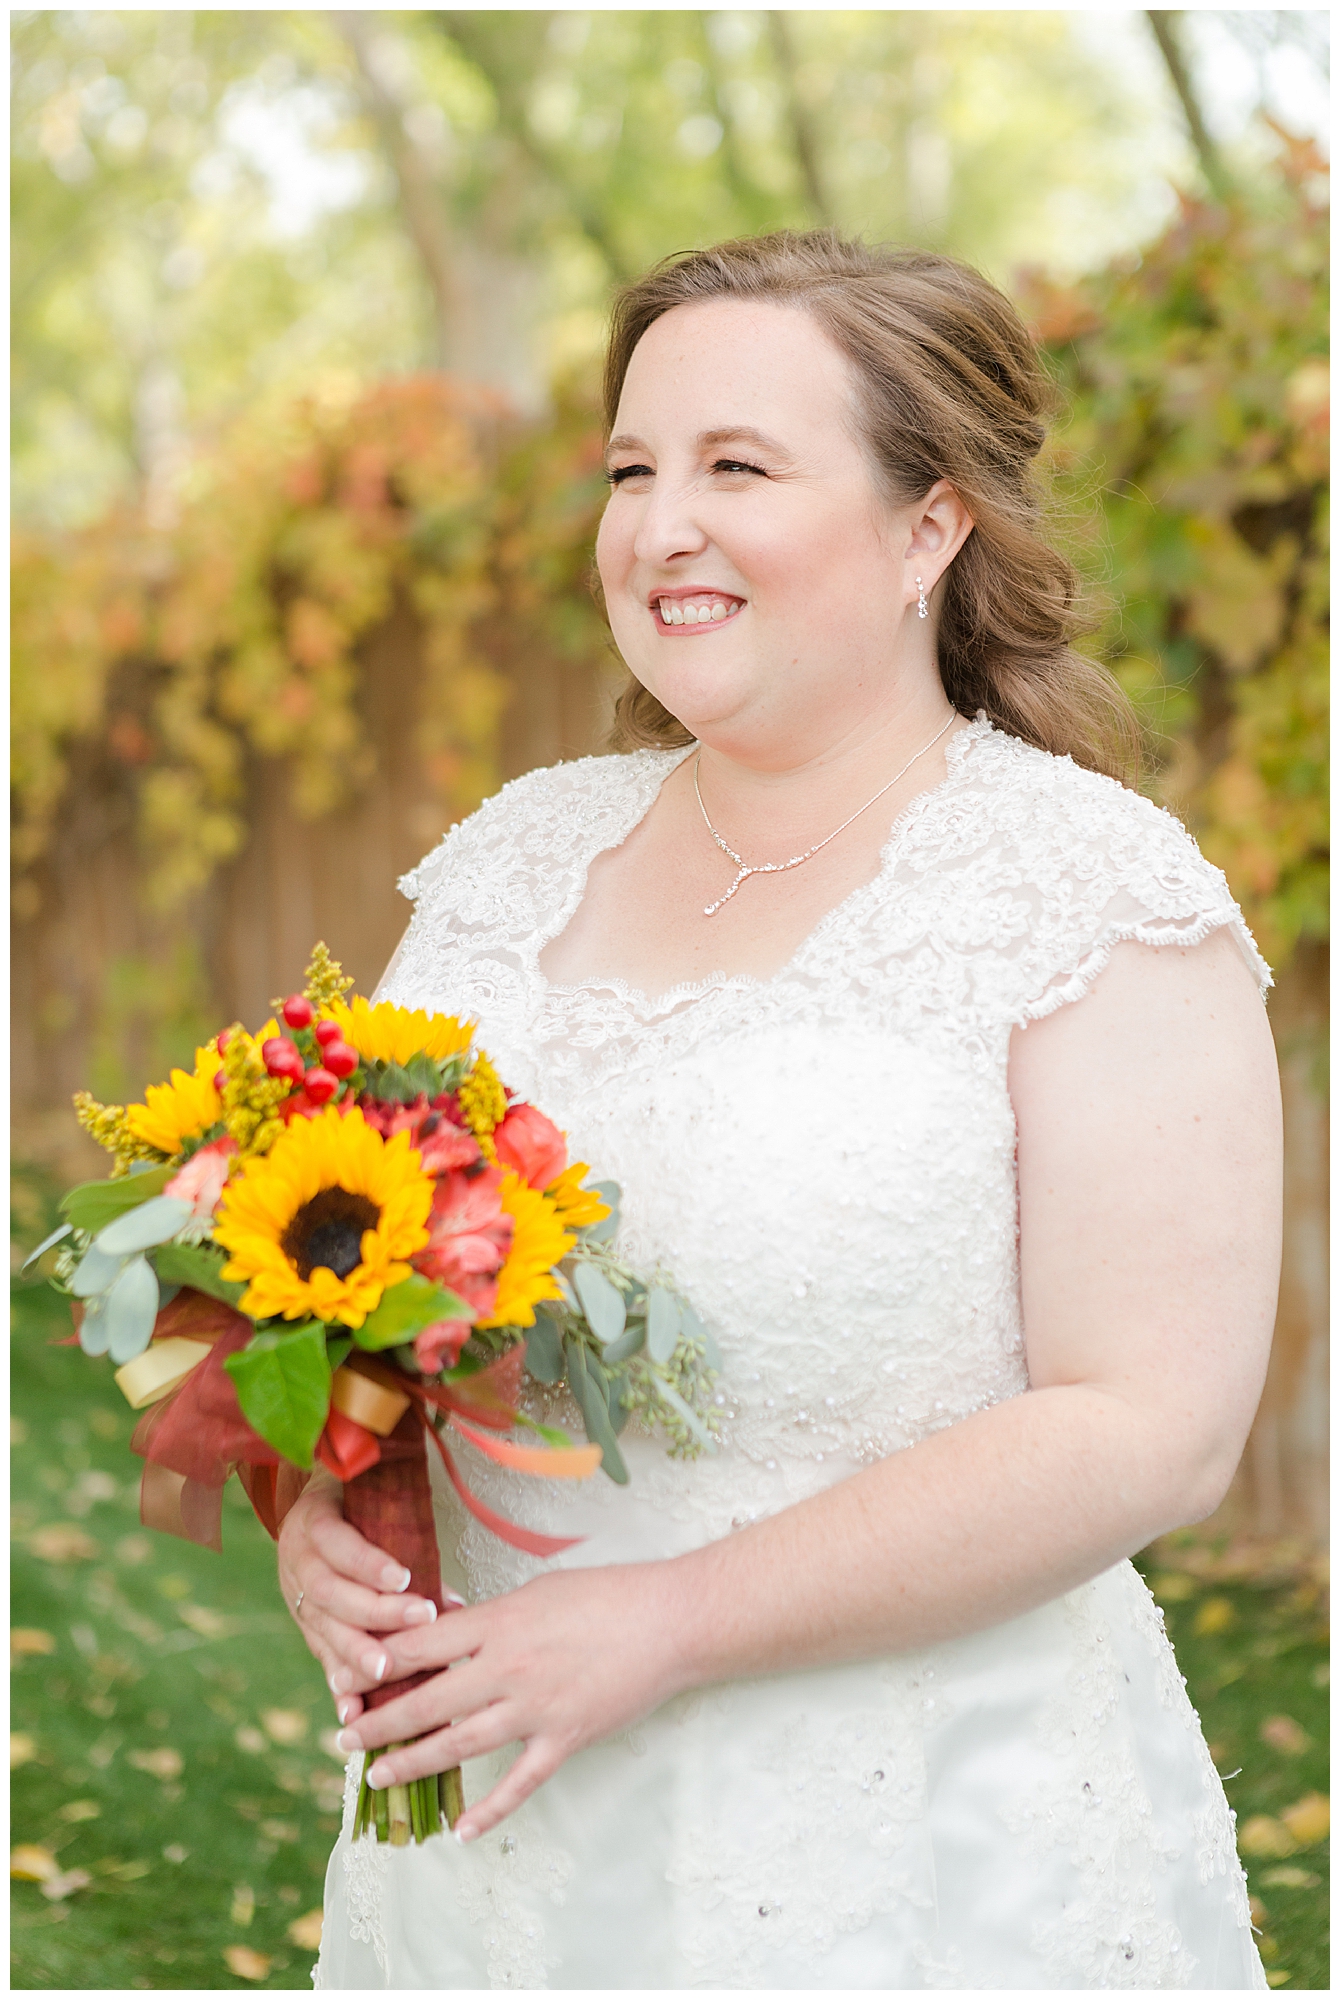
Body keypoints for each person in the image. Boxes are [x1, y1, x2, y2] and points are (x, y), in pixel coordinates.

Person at [285, 233, 1280, 1990]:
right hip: (508, 1830)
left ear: (930, 527)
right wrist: (341, 1494)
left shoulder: (1086, 894)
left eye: (738, 466)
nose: (661, 522)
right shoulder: (513, 864)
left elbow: (1154, 1426)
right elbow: (379, 1255)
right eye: (632, 468)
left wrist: (667, 1623)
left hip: (912, 1837)